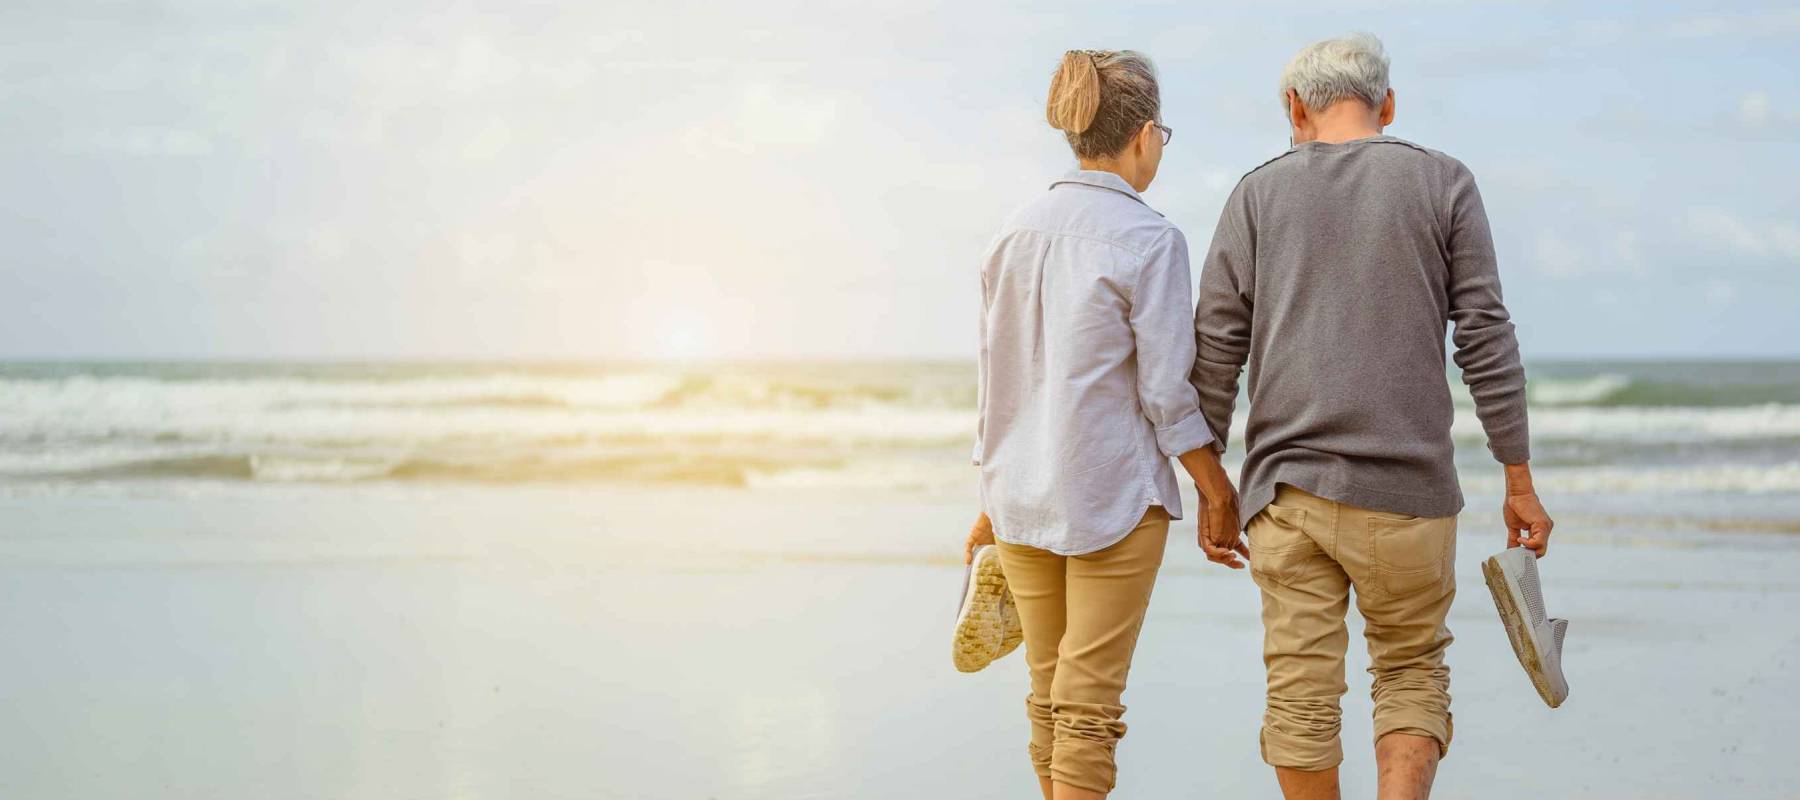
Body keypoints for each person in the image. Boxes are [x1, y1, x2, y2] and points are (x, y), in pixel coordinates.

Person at [1189, 33, 1556, 800]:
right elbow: (1485, 336)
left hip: (1287, 496)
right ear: (1388, 105)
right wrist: (1517, 478)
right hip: (1411, 494)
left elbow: (1215, 346)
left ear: (1295, 109)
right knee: (1411, 668)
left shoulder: (1256, 195)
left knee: (1299, 691)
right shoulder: (1444, 182)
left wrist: (1213, 485)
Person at [961, 48, 1239, 800]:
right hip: (1111, 495)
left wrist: (991, 495)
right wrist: (1215, 488)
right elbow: (1165, 392)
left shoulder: (1009, 235)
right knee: (1087, 706)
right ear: (1145, 134)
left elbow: (999, 385)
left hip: (1019, 492)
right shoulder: (1150, 239)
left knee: (1049, 691)